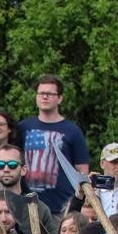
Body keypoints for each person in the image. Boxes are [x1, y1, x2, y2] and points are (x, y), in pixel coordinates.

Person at [18, 76, 89, 215]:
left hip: (61, 208)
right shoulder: (23, 128)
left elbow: (82, 171)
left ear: (60, 98)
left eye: (50, 94)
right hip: (28, 206)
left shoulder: (72, 131)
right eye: (41, 93)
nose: (45, 97)